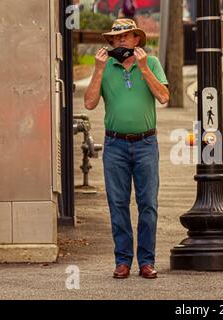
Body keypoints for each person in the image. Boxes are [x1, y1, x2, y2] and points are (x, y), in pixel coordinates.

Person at [84, 18, 169, 279]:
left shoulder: (151, 63)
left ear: (136, 40)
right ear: (110, 42)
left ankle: (146, 261)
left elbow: (164, 97)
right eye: (116, 37)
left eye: (126, 36)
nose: (121, 40)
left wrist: (144, 68)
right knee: (117, 203)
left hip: (145, 144)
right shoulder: (105, 66)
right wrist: (98, 69)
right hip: (115, 145)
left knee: (148, 204)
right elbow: (88, 104)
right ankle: (122, 261)